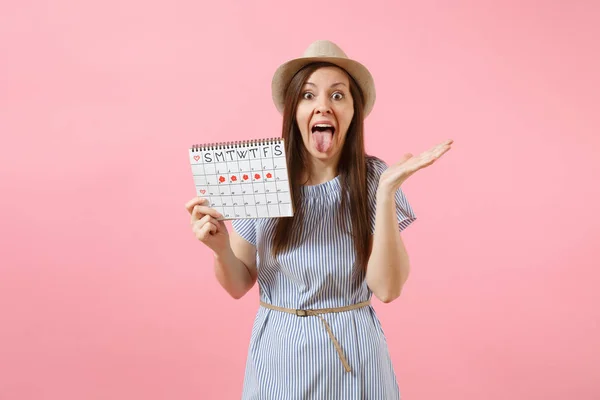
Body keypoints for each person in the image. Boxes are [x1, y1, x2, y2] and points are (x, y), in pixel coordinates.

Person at [185, 40, 453, 399]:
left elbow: (388, 289)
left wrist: (386, 191)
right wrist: (220, 249)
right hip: (280, 358)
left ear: (354, 111)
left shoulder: (375, 177)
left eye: (338, 96)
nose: (323, 106)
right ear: (293, 110)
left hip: (356, 359)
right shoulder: (264, 175)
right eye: (308, 96)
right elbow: (237, 284)